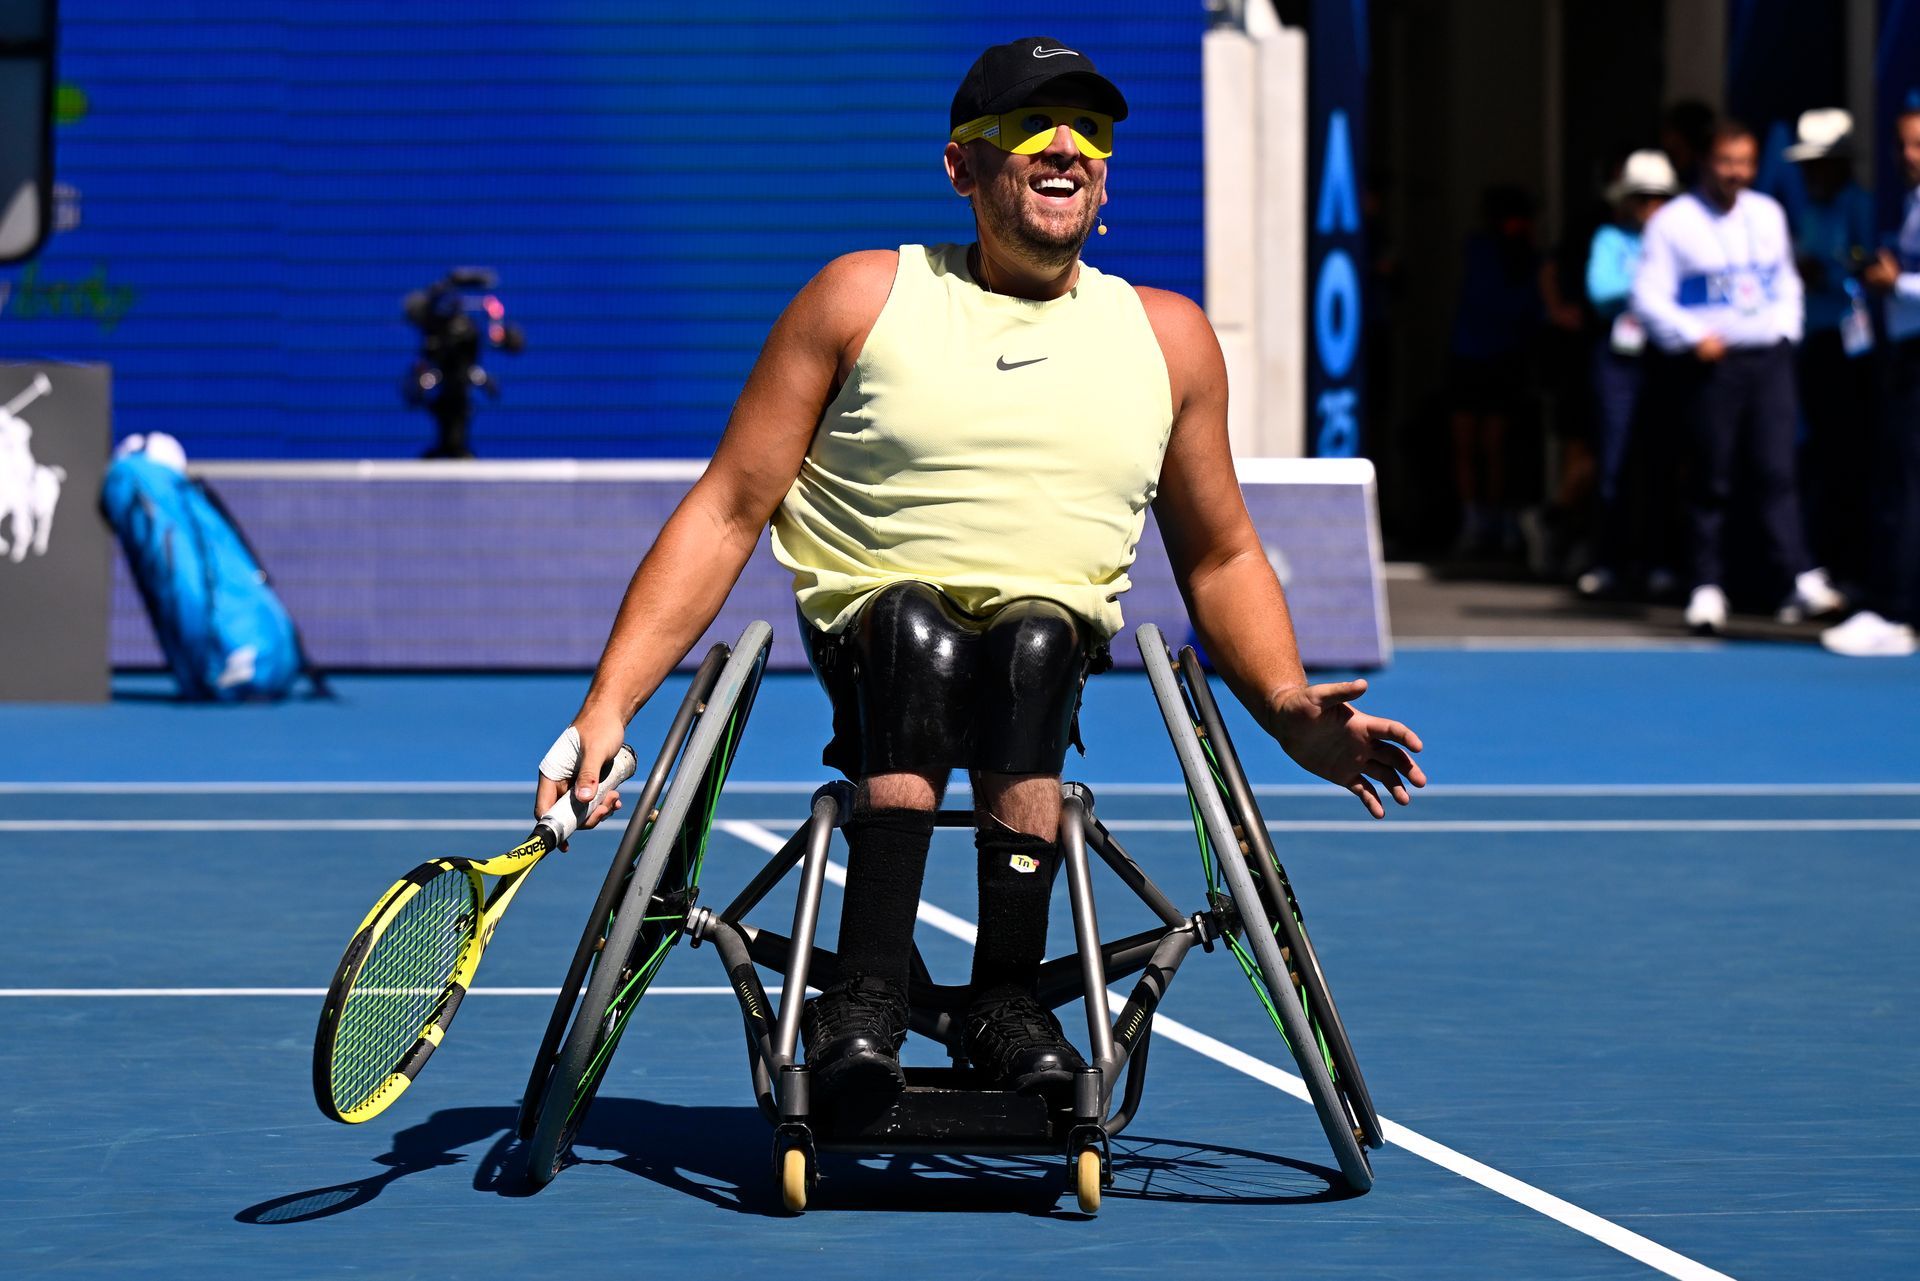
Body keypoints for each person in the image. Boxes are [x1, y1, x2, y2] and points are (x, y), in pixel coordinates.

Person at [530, 38, 1427, 1108]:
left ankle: (1008, 996)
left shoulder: (1169, 337)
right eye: (1030, 124)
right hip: (873, 643)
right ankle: (862, 992)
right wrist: (607, 708)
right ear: (962, 166)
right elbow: (727, 507)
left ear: (1105, 172)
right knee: (916, 628)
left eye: (1088, 129)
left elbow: (1224, 554)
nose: (1064, 145)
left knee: (1037, 637)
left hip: (1045, 655)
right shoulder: (863, 298)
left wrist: (1290, 711)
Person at [1631, 120, 1843, 634]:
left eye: (1745, 163)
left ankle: (1796, 575)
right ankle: (1705, 584)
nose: (1736, 173)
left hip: (1766, 360)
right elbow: (1648, 296)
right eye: (1727, 162)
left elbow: (1786, 281)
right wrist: (1690, 335)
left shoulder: (1767, 213)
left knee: (1777, 468)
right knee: (1712, 474)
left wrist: (1785, 332)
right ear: (1707, 162)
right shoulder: (1673, 222)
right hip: (1713, 364)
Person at [1822, 101, 1920, 657]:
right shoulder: (1912, 203)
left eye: (1919, 145)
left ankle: (1895, 611)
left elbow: (1906, 284)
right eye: (1903, 144)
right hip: (1904, 355)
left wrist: (1897, 283)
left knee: (1904, 489)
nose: (1909, 156)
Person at [1577, 150, 1679, 598]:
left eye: (1658, 198)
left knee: (1661, 461)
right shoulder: (1610, 239)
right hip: (1620, 361)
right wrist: (1650, 287)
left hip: (1663, 359)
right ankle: (1608, 559)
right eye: (1642, 198)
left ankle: (1657, 559)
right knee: (1615, 461)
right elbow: (1600, 291)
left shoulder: (1678, 242)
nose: (1651, 208)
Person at [1784, 109, 1878, 595]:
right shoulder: (1808, 209)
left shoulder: (1860, 206)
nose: (1812, 174)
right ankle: (1819, 564)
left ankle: (1852, 567)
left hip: (1853, 349)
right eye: (1807, 166)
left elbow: (1868, 265)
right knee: (1815, 457)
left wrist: (1833, 272)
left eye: (1820, 164)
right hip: (1816, 344)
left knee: (1848, 457)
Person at [1446, 185, 1544, 559]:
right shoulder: (1480, 249)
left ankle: (1497, 520)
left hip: (1503, 360)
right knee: (1467, 444)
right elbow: (1488, 300)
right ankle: (1474, 520)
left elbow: (1524, 309)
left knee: (1495, 446)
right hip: (1469, 356)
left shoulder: (1529, 258)